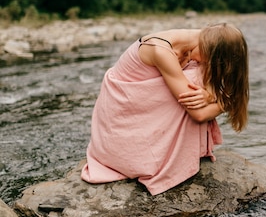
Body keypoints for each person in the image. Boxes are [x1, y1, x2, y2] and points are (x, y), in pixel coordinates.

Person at [81, 22, 249, 195]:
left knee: (198, 73)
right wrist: (226, 102)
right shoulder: (160, 50)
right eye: (214, 62)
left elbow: (210, 83)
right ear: (211, 51)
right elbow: (199, 114)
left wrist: (210, 95)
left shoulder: (205, 38)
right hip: (122, 127)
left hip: (136, 114)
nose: (206, 64)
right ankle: (158, 157)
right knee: (195, 76)